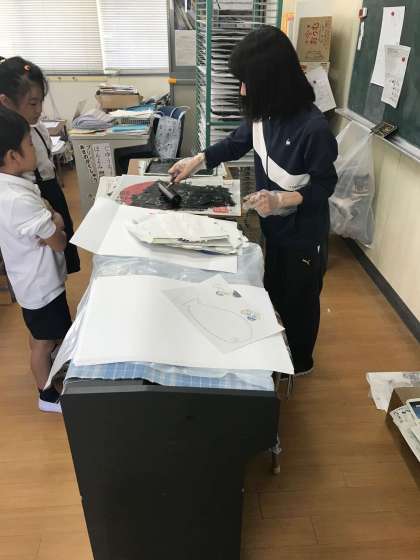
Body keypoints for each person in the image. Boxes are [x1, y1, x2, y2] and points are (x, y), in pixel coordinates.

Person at [170, 26, 338, 375]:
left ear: (272, 81)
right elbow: (236, 141)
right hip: (273, 228)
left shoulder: (313, 129)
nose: (243, 90)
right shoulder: (266, 113)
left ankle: (300, 364)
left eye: (247, 82)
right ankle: (277, 349)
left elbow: (325, 185)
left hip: (304, 235)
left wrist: (282, 199)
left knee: (300, 301)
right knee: (274, 288)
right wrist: (198, 160)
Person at [0, 107, 72, 412]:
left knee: (40, 335)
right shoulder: (19, 200)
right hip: (43, 286)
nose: (36, 148)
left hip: (30, 282)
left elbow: (50, 224)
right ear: (13, 156)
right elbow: (59, 241)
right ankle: (47, 395)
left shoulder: (10, 187)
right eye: (30, 144)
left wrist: (52, 220)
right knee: (44, 342)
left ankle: (51, 372)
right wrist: (56, 220)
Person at [0, 56, 80, 273]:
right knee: (46, 259)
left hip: (49, 190)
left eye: (41, 102)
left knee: (62, 257)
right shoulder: (10, 140)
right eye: (33, 103)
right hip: (34, 202)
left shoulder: (35, 126)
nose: (39, 110)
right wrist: (51, 220)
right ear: (6, 102)